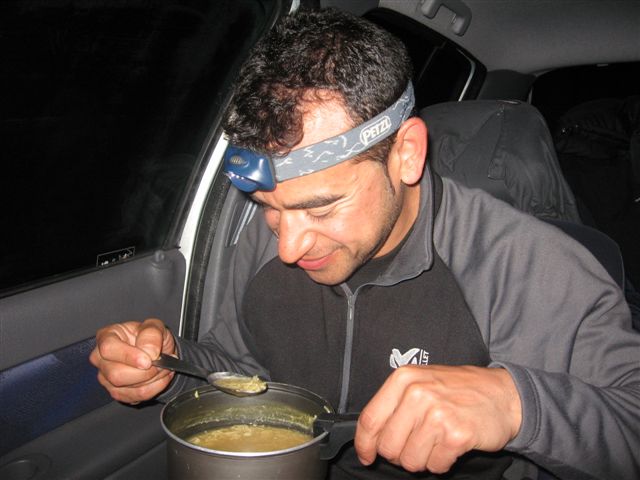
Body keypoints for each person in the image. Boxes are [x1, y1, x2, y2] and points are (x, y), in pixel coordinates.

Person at [90, 8, 640, 480]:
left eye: (321, 208)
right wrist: (171, 367)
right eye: (268, 209)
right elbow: (242, 365)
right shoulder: (267, 244)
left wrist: (516, 404)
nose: (287, 248)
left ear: (406, 154)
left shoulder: (525, 265)